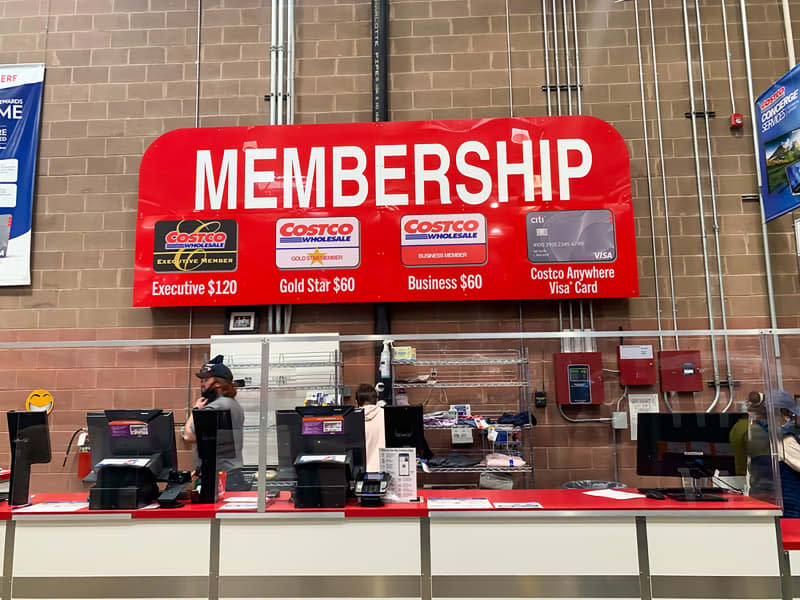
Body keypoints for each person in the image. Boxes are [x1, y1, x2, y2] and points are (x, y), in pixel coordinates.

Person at [181, 355, 249, 491]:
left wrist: (196, 410)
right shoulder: (233, 404)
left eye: (206, 380)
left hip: (220, 478)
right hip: (229, 474)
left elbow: (189, 436)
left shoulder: (216, 407)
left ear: (218, 383)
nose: (202, 384)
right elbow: (213, 440)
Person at [355, 383, 385, 472]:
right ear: (377, 400)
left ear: (356, 402)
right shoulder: (386, 415)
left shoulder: (353, 418)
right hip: (384, 470)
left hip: (360, 472)